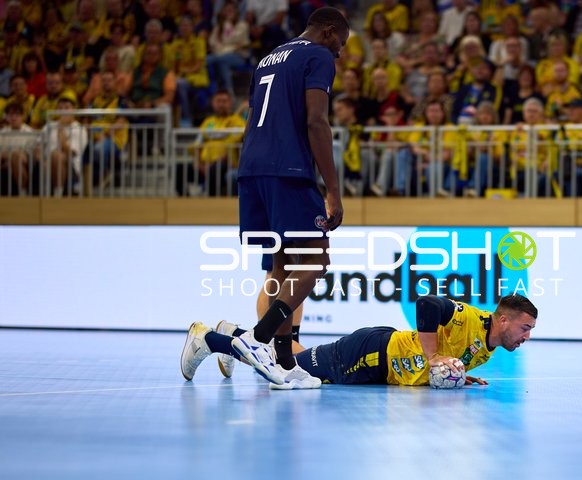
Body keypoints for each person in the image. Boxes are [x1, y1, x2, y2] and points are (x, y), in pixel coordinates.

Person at [180, 7, 349, 390]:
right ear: (327, 31)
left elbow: (254, 115)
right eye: (341, 42)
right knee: (316, 262)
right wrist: (333, 190)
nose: (339, 52)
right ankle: (255, 340)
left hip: (252, 168)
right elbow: (316, 122)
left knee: (282, 267)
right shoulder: (317, 55)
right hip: (287, 169)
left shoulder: (268, 58)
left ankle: (285, 363)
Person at [200, 294, 538, 387]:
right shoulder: (470, 317)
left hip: (379, 363)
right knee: (283, 368)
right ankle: (208, 339)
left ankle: (233, 333)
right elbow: (427, 305)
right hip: (371, 355)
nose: (527, 336)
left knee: (294, 360)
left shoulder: (489, 348)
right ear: (503, 319)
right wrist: (433, 357)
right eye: (525, 328)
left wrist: (457, 374)